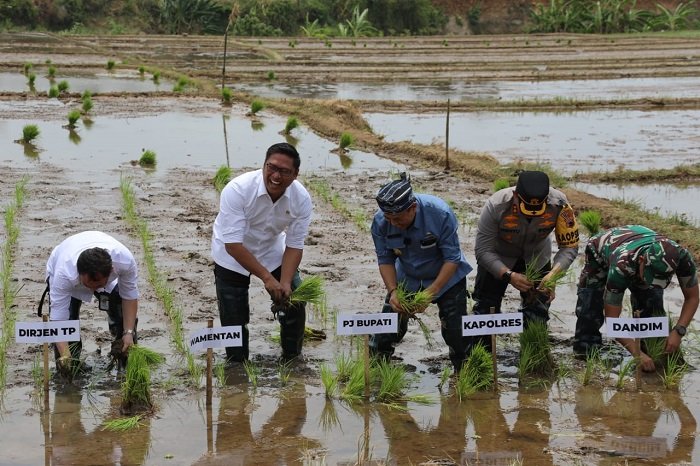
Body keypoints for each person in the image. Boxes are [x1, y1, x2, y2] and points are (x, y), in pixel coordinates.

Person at [211, 142, 312, 363]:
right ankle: (237, 364)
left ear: (295, 174)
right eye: (271, 167)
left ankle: (292, 357)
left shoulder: (301, 198)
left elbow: (295, 244)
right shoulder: (238, 189)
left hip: (271, 248)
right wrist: (266, 278)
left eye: (284, 171)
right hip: (232, 254)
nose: (276, 176)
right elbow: (233, 245)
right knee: (234, 317)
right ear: (264, 165)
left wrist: (284, 282)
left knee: (294, 300)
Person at [369, 173, 473, 372]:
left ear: (413, 208)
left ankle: (465, 374)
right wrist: (393, 291)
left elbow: (452, 258)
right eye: (388, 218)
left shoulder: (440, 213)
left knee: (456, 330)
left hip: (446, 276)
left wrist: (431, 292)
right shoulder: (381, 221)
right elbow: (385, 259)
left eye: (397, 218)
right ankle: (375, 372)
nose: (392, 223)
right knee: (387, 328)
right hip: (408, 275)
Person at [573, 225, 698, 371]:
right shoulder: (621, 266)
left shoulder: (681, 257)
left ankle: (650, 352)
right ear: (641, 261)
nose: (651, 283)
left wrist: (678, 331)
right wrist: (636, 352)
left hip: (639, 241)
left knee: (652, 305)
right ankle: (585, 354)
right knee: (590, 306)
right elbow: (612, 319)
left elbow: (693, 298)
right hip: (601, 252)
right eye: (650, 277)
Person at [472, 170, 579, 338]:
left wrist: (553, 275)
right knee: (486, 308)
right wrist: (509, 275)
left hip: (537, 257)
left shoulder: (560, 204)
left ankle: (533, 356)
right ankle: (482, 357)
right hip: (499, 257)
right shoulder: (496, 205)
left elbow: (569, 247)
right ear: (516, 195)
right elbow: (482, 250)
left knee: (538, 311)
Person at [44, 231, 139, 374]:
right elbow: (58, 318)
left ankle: (124, 357)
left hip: (105, 278)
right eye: (89, 284)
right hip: (69, 281)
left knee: (119, 308)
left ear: (111, 270)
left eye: (98, 284)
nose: (94, 290)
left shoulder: (124, 261)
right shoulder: (64, 273)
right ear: (79, 273)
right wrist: (64, 353)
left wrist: (129, 332)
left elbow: (130, 297)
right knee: (69, 322)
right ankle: (70, 368)